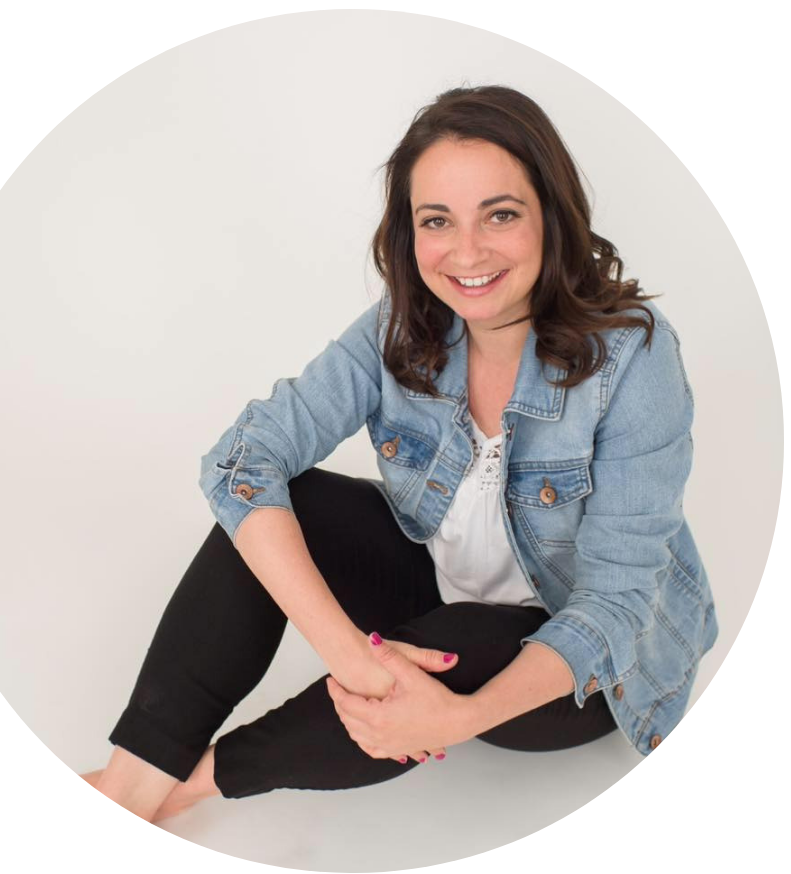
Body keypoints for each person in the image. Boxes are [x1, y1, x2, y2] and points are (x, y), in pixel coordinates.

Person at [79, 84, 718, 822]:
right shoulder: (403, 324)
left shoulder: (633, 356)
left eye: (500, 214)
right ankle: (133, 779)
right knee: (290, 500)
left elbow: (613, 607)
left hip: (583, 676)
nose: (467, 252)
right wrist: (350, 654)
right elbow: (242, 461)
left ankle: (188, 787)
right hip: (441, 592)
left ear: (552, 214)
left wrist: (455, 717)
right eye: (436, 220)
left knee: (457, 642)